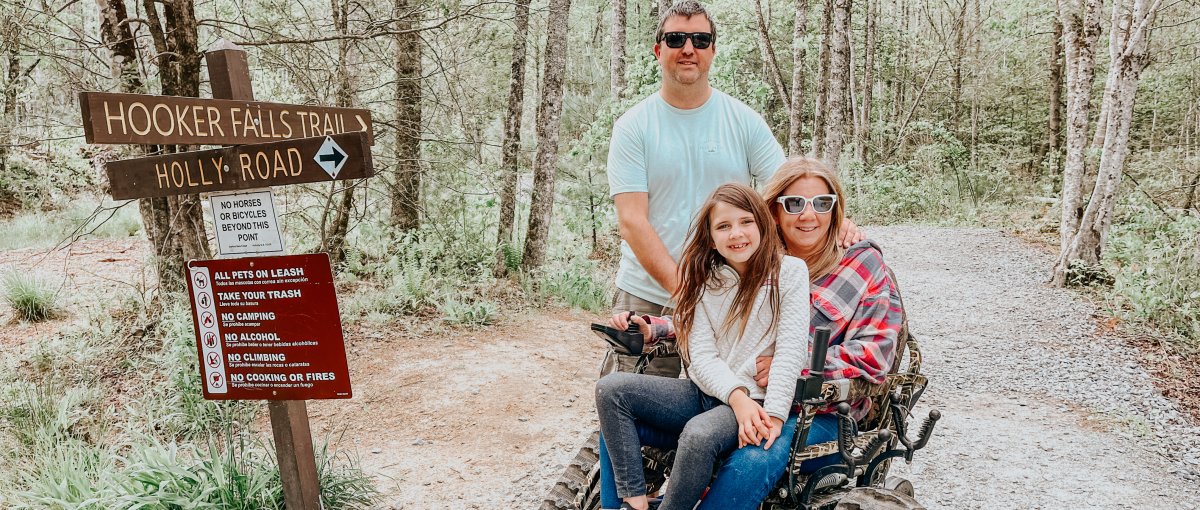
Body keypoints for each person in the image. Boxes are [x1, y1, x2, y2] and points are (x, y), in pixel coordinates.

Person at [598, 158, 903, 509]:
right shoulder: (751, 252)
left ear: (835, 210)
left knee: (752, 458)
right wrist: (658, 328)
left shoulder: (862, 265)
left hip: (816, 409)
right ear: (772, 211)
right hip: (735, 394)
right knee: (617, 417)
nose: (808, 215)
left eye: (822, 203)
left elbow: (875, 355)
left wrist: (798, 366)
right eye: (794, 203)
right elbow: (719, 324)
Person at [603, 0, 861, 377]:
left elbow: (788, 189)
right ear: (658, 50)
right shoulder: (634, 127)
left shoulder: (743, 122)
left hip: (730, 295)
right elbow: (632, 223)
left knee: (717, 416)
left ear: (713, 49)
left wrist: (837, 220)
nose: (688, 48)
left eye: (700, 39)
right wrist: (687, 292)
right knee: (631, 405)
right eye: (676, 39)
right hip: (649, 295)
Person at [595, 183, 810, 510]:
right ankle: (634, 503)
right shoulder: (703, 280)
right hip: (708, 393)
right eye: (724, 226)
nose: (736, 233)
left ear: (763, 226)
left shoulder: (790, 272)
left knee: (698, 434)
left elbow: (790, 352)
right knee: (611, 389)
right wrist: (736, 396)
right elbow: (701, 359)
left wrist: (775, 417)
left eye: (745, 222)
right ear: (711, 238)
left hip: (756, 401)